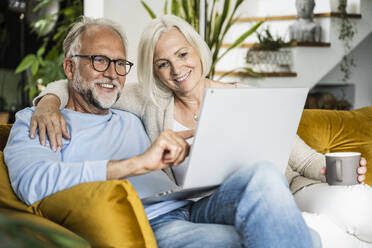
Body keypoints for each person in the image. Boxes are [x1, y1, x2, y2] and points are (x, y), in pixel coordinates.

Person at [3, 16, 319, 248]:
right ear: (70, 67)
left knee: (263, 175)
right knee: (287, 239)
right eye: (99, 61)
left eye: (119, 64)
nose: (112, 74)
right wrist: (48, 103)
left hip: (190, 206)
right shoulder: (37, 121)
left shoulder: (128, 113)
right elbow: (34, 183)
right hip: (153, 225)